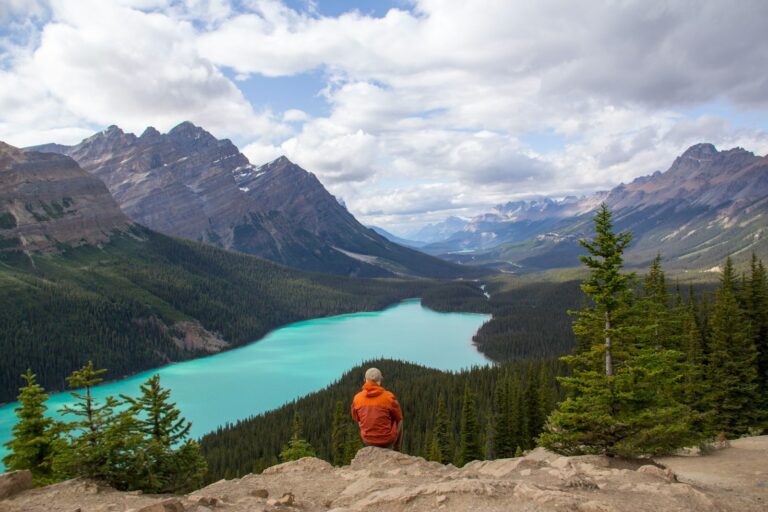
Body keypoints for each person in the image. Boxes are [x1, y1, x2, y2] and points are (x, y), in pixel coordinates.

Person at [351, 367, 403, 451]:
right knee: (400, 420)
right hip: (387, 441)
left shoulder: (357, 398)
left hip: (367, 440)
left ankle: (369, 445)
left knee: (360, 417)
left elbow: (356, 418)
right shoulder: (389, 397)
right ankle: (396, 449)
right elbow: (398, 418)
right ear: (381, 380)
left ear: (365, 380)